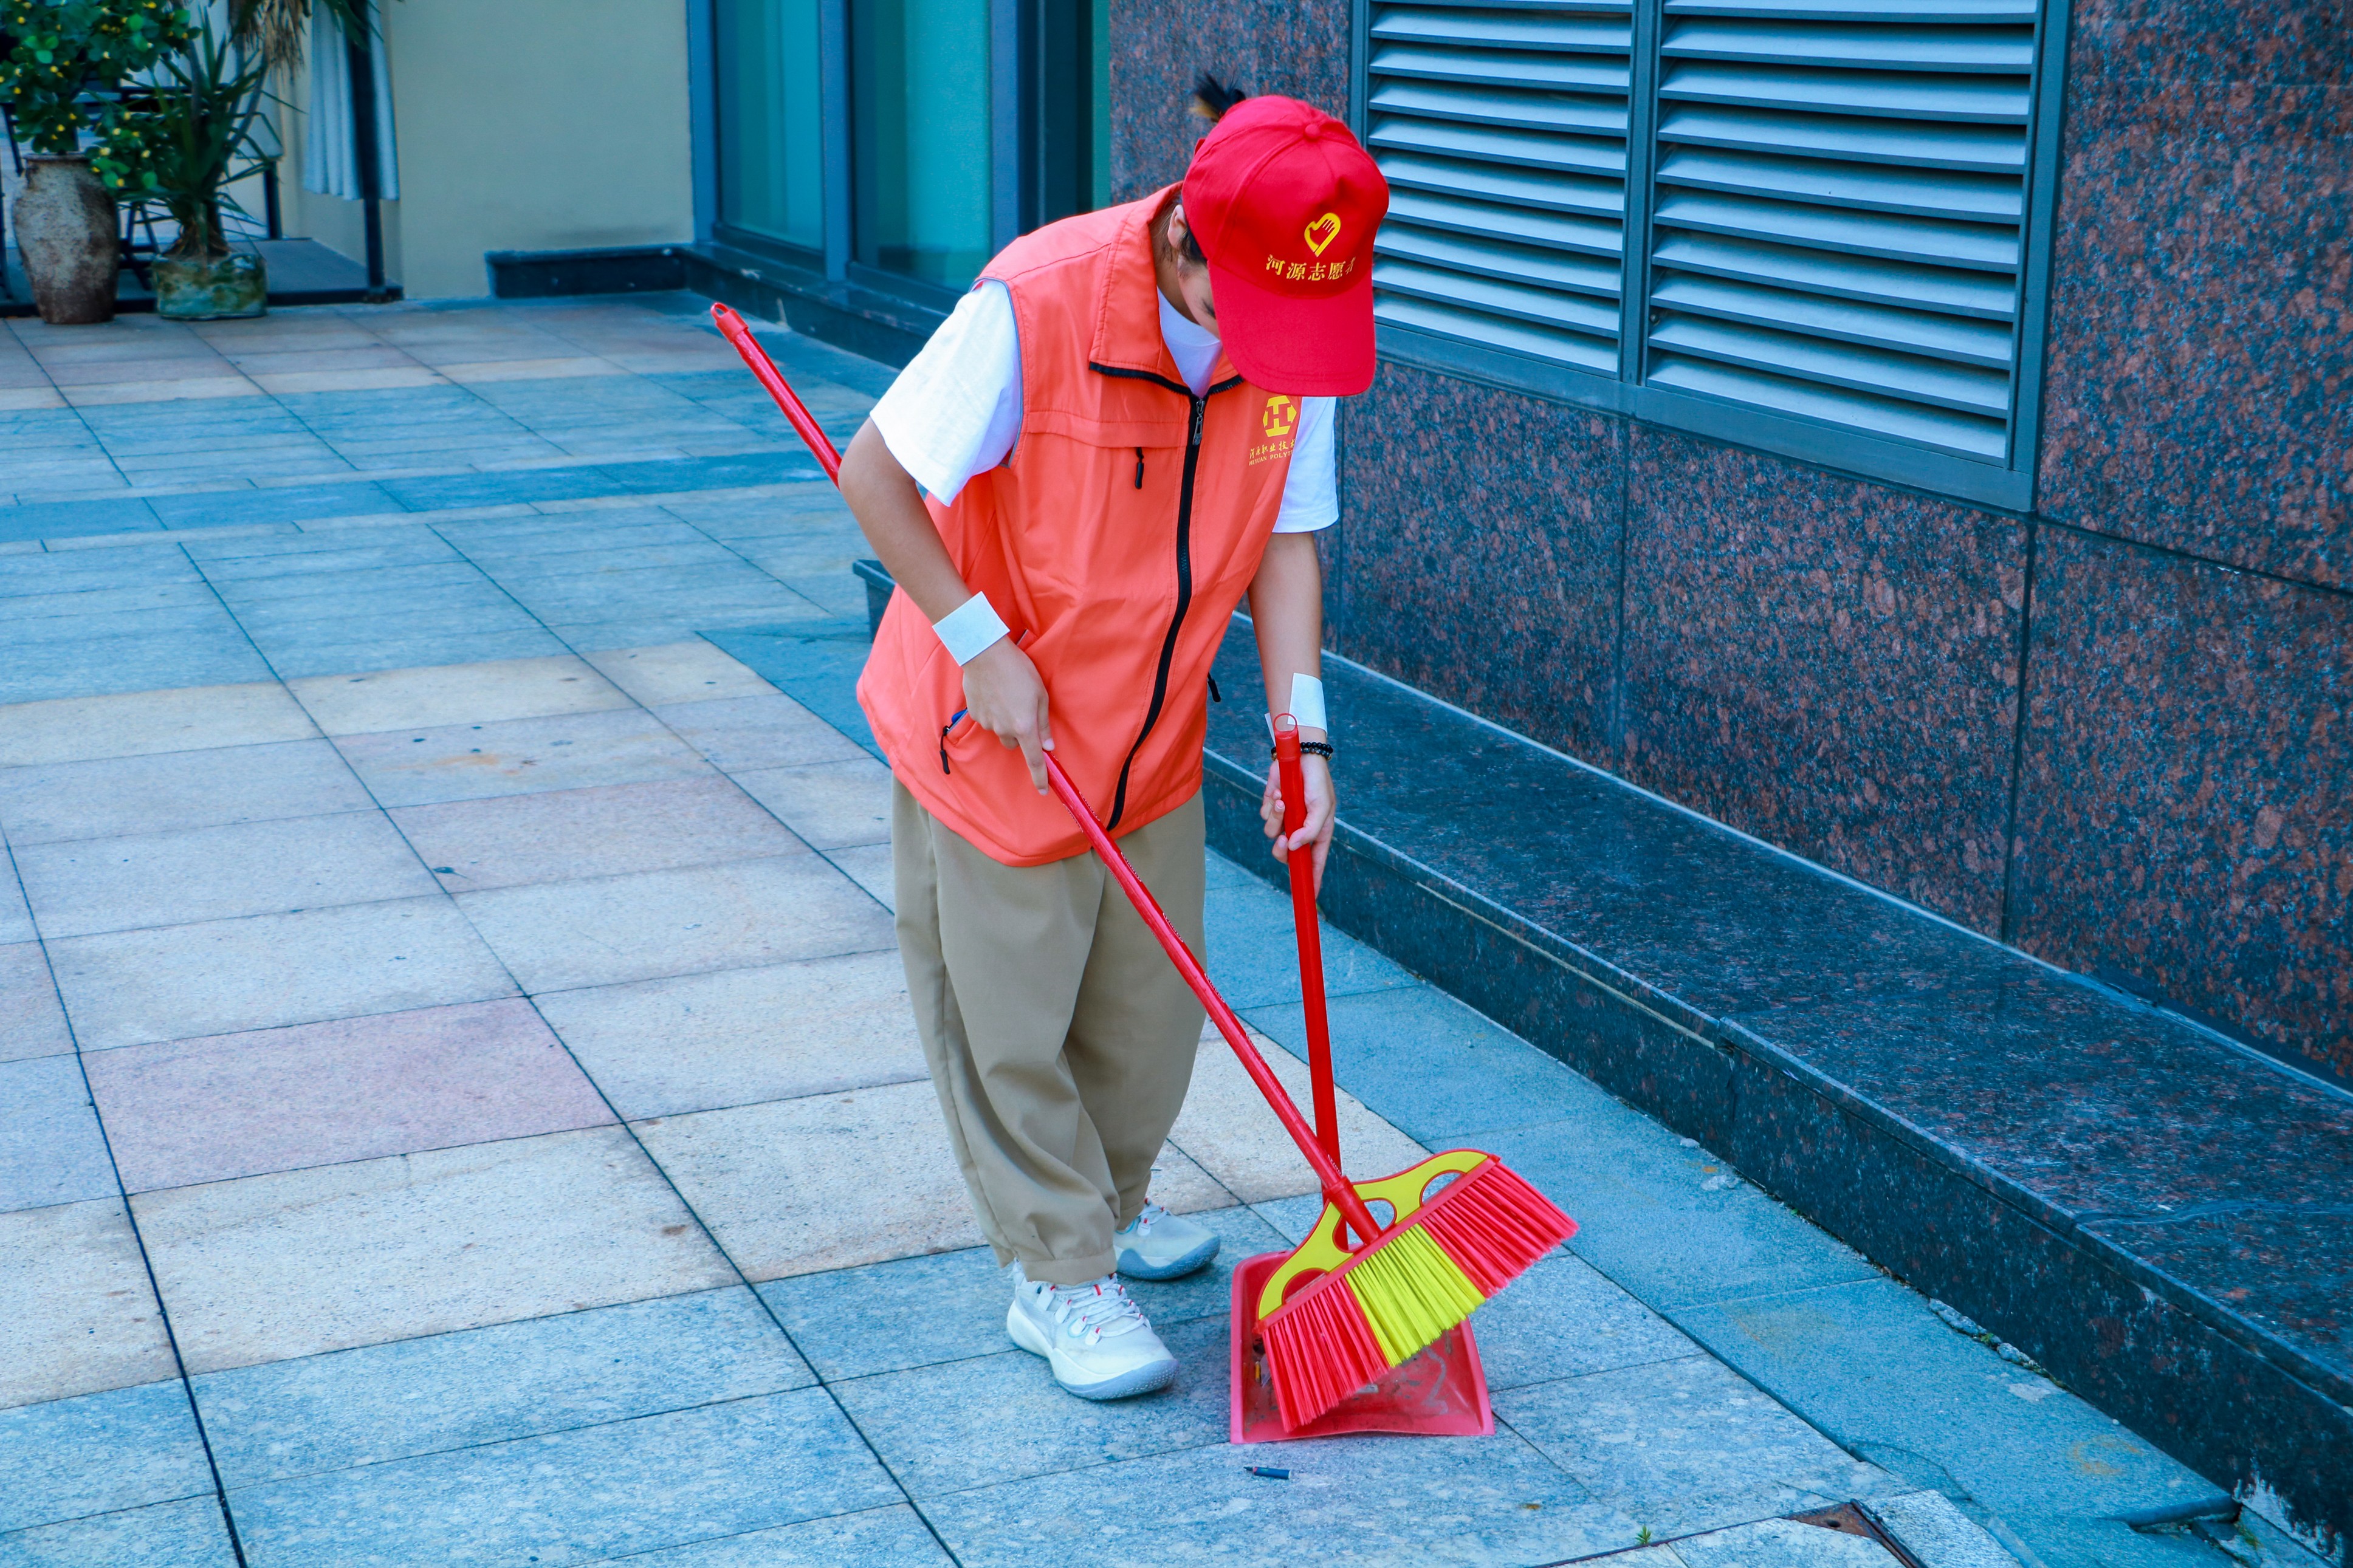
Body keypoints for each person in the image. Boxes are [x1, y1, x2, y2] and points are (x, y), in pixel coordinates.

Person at [840, 90, 1388, 1402]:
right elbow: (874, 471)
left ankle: (1109, 1204)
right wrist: (979, 643)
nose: (1273, 347)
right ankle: (1057, 1267)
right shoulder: (1034, 303)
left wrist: (1303, 731)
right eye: (1250, 309)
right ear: (1187, 243)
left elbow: (1284, 541)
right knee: (1009, 1018)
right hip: (1000, 724)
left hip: (1152, 732)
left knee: (1146, 1016)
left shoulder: (1293, 333)